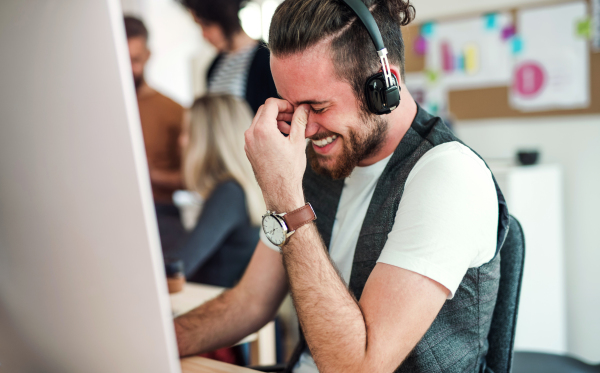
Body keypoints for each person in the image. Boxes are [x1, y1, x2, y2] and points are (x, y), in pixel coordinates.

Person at [174, 1, 509, 372]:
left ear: (385, 86)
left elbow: (359, 367)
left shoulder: (448, 175)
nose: (304, 128)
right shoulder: (322, 160)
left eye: (317, 107)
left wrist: (284, 198)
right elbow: (250, 301)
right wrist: (160, 339)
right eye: (292, 106)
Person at [167, 95, 264, 288]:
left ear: (210, 140)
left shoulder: (230, 193)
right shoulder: (235, 190)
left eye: (188, 132)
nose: (181, 141)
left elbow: (179, 265)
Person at [124, 16, 186, 252]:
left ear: (148, 55)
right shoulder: (96, 108)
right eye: (122, 60)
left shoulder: (174, 111)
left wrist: (150, 174)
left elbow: (192, 180)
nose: (129, 69)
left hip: (160, 212)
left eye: (135, 60)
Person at [180, 0, 278, 113]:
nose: (203, 34)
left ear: (225, 19)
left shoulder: (267, 60)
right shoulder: (213, 67)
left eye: (206, 25)